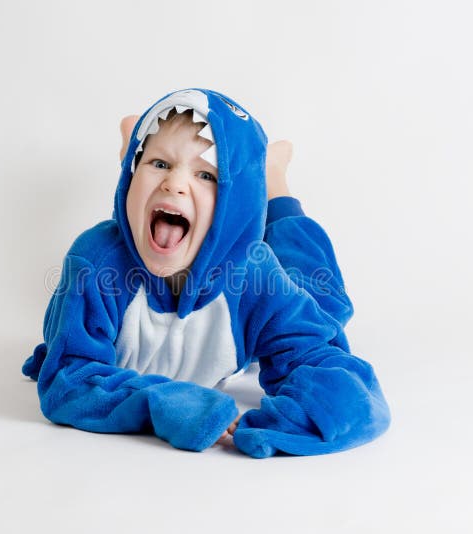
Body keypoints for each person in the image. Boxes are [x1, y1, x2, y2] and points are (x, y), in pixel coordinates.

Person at [22, 88, 390, 458]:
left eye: (206, 174)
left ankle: (272, 180)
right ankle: (137, 146)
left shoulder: (254, 278)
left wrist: (288, 424)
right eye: (159, 165)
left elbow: (345, 384)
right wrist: (172, 404)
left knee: (324, 302)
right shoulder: (95, 264)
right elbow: (68, 380)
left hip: (255, 259)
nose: (175, 183)